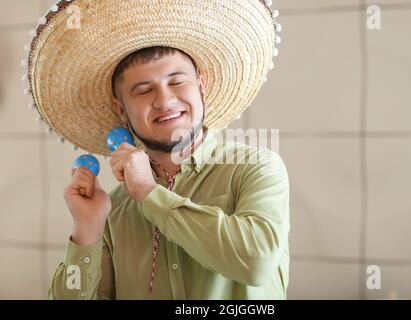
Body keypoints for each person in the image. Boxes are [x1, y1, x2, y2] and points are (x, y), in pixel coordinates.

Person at [24, 0, 289, 299]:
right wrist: (88, 226)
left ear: (200, 86)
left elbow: (256, 263)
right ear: (121, 110)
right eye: (144, 90)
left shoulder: (257, 167)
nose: (165, 101)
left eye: (177, 81)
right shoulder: (114, 210)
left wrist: (150, 195)